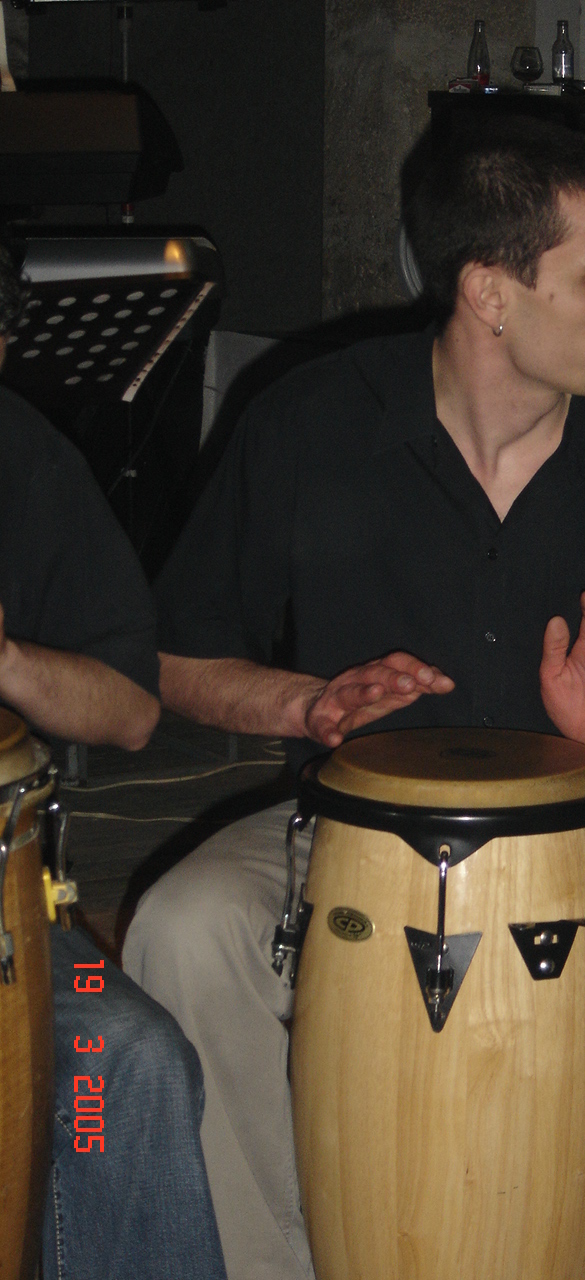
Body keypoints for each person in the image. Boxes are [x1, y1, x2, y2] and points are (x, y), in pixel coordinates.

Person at [124, 119, 585, 1280]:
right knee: (178, 927)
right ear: (491, 292)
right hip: (349, 831)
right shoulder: (311, 416)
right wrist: (308, 705)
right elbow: (174, 659)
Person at [0, 241, 228, 1280]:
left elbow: (131, 709)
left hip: (10, 919)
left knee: (119, 1059)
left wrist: (7, 658)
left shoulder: (24, 460)